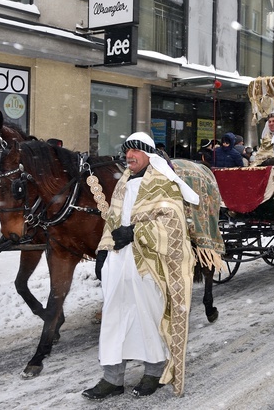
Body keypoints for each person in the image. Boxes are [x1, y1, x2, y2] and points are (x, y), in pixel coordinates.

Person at [84, 132, 199, 400]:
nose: (129, 156)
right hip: (119, 260)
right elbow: (112, 219)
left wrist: (135, 232)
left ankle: (155, 373)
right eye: (126, 152)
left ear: (149, 154)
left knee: (149, 317)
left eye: (135, 151)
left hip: (149, 262)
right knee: (113, 318)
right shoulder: (124, 182)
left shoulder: (163, 182)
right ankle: (112, 379)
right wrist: (103, 251)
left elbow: (174, 225)